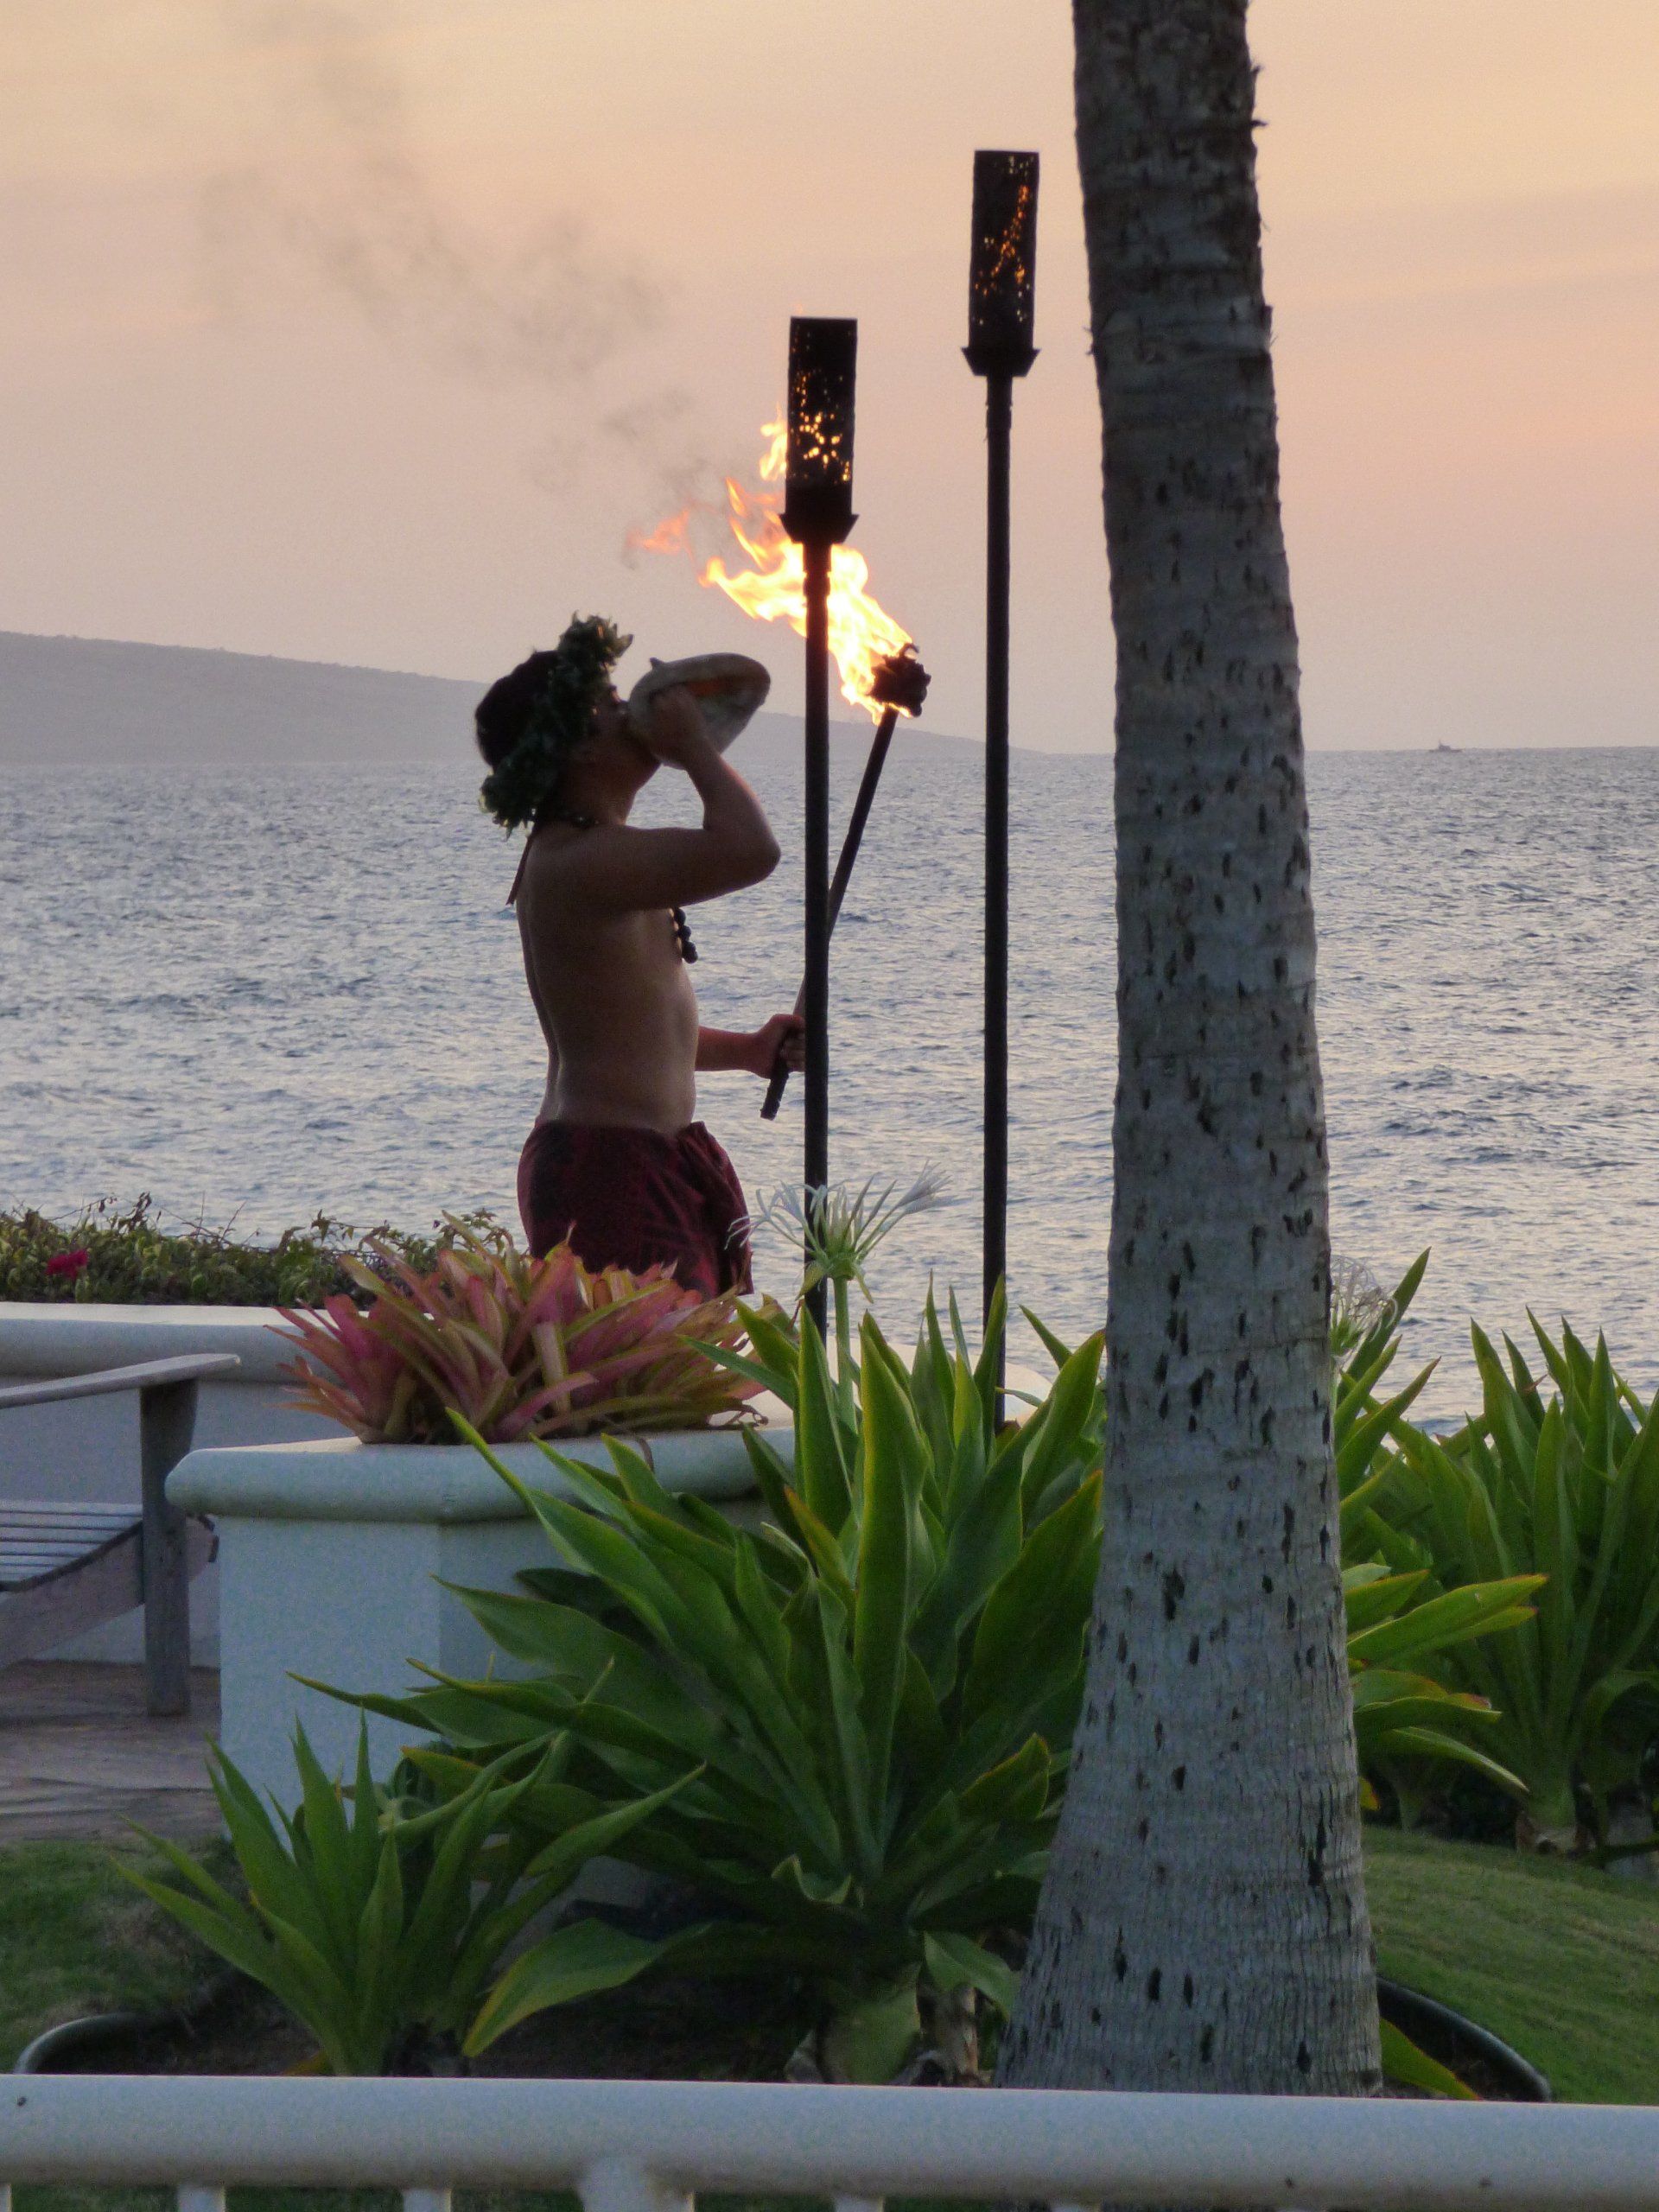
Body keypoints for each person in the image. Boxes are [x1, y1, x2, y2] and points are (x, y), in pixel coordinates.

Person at [474, 616, 803, 1298]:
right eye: (610, 706)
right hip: (608, 1168)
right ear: (579, 751)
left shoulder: (594, 850)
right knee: (647, 1392)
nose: (632, 713)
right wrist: (696, 749)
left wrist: (746, 1050)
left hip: (636, 1154)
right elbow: (752, 851)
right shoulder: (578, 861)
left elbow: (632, 1033)